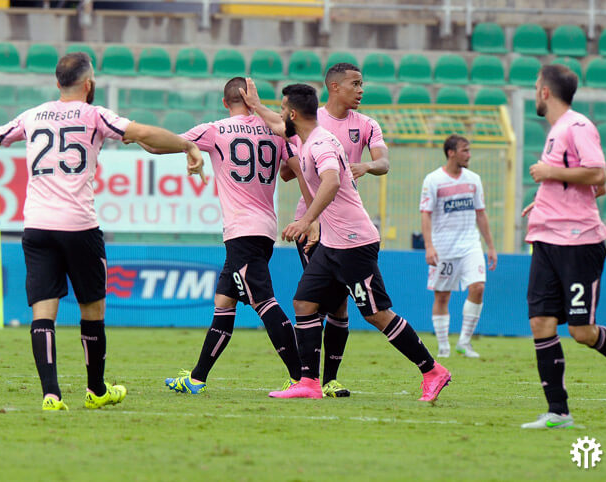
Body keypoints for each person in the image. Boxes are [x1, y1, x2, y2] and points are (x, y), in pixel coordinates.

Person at [0, 52, 206, 411]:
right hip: (78, 226)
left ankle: (51, 395)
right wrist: (187, 145)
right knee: (92, 309)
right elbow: (144, 134)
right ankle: (96, 390)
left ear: (58, 83)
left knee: (43, 311)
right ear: (88, 84)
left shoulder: (33, 115)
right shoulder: (95, 115)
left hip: (37, 226)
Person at [241, 80, 451, 401]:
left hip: (354, 243)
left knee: (376, 314)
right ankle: (309, 382)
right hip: (332, 244)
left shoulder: (321, 144)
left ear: (293, 114)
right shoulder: (305, 136)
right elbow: (276, 124)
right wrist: (256, 106)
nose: (280, 114)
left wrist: (307, 220)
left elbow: (332, 181)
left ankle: (432, 370)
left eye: (283, 109)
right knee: (304, 302)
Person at [520, 64, 606, 429]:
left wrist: (550, 174)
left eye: (536, 87)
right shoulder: (556, 131)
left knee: (581, 331)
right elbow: (591, 185)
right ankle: (558, 412)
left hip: (579, 242)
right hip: (546, 238)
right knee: (541, 322)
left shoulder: (577, 126)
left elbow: (599, 175)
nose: (534, 93)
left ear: (545, 92)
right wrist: (546, 198)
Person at [153, 77, 304, 396]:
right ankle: (196, 379)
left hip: (242, 230)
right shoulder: (274, 130)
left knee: (264, 302)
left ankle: (301, 377)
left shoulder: (215, 130)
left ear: (225, 102)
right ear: (251, 100)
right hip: (264, 229)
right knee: (224, 302)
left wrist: (137, 136)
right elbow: (296, 169)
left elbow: (161, 144)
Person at [282, 62, 390, 397]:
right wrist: (309, 217)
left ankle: (326, 380)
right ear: (334, 86)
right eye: (355, 84)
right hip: (313, 224)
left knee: (337, 305)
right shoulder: (311, 122)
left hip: (344, 225)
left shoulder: (366, 125)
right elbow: (289, 170)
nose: (361, 90)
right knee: (313, 303)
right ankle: (307, 378)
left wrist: (367, 165)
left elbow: (384, 162)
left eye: (362, 84)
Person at [420, 135, 497, 359]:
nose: (469, 155)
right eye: (465, 150)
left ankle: (464, 342)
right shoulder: (433, 180)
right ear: (451, 152)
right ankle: (443, 347)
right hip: (444, 248)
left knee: (478, 287)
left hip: (470, 245)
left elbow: (481, 213)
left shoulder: (474, 180)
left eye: (469, 150)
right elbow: (425, 214)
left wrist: (490, 246)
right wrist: (429, 246)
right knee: (442, 297)